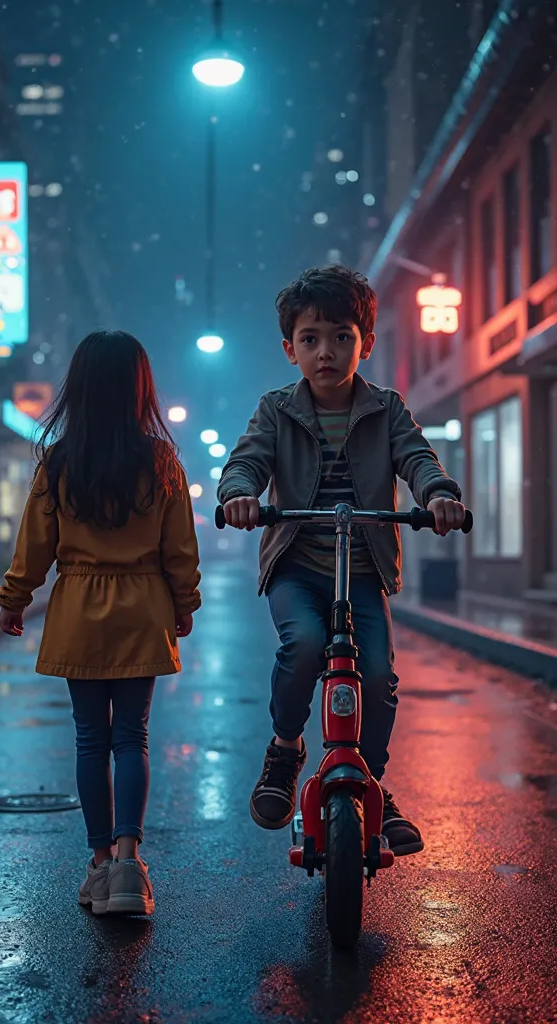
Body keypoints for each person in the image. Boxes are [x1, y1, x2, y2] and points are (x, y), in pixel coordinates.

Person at [217, 264, 466, 855]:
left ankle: (373, 781)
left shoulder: (387, 408)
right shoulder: (276, 409)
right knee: (303, 643)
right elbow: (246, 461)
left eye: (341, 337)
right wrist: (239, 495)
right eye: (310, 339)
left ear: (366, 343)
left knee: (376, 675)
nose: (325, 351)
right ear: (289, 349)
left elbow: (417, 458)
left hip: (361, 571)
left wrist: (438, 495)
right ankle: (283, 750)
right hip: (299, 567)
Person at [0, 330, 201, 916]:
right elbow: (179, 550)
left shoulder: (60, 462)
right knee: (131, 737)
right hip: (142, 608)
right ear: (142, 389)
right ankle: (130, 867)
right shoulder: (161, 462)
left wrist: (14, 598)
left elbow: (35, 545)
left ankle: (99, 864)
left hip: (79, 609)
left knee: (91, 739)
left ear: (79, 388)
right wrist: (183, 605)